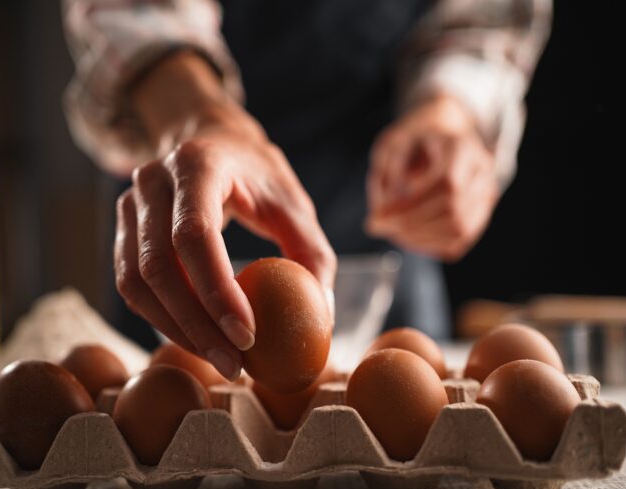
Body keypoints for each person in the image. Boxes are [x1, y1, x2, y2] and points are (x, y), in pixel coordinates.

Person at [62, 0, 551, 381]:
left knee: (403, 396)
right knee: (166, 404)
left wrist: (452, 113)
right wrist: (198, 116)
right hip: (180, 244)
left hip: (381, 257)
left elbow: (486, 19)